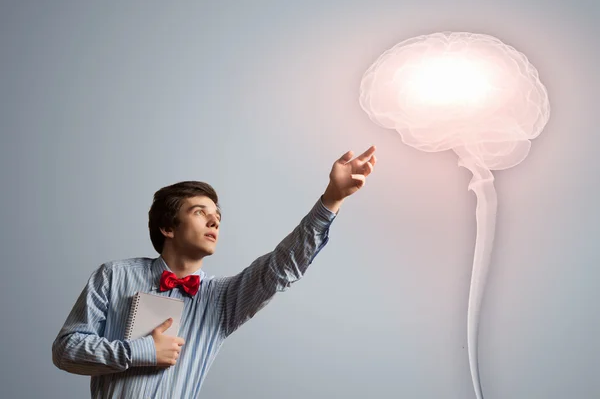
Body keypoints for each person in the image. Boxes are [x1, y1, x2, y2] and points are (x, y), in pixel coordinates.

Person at [52, 146, 377, 398]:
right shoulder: (113, 276)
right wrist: (141, 351)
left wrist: (332, 200)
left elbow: (281, 267)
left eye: (216, 215)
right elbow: (66, 351)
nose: (214, 221)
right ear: (168, 227)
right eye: (199, 212)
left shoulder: (223, 299)